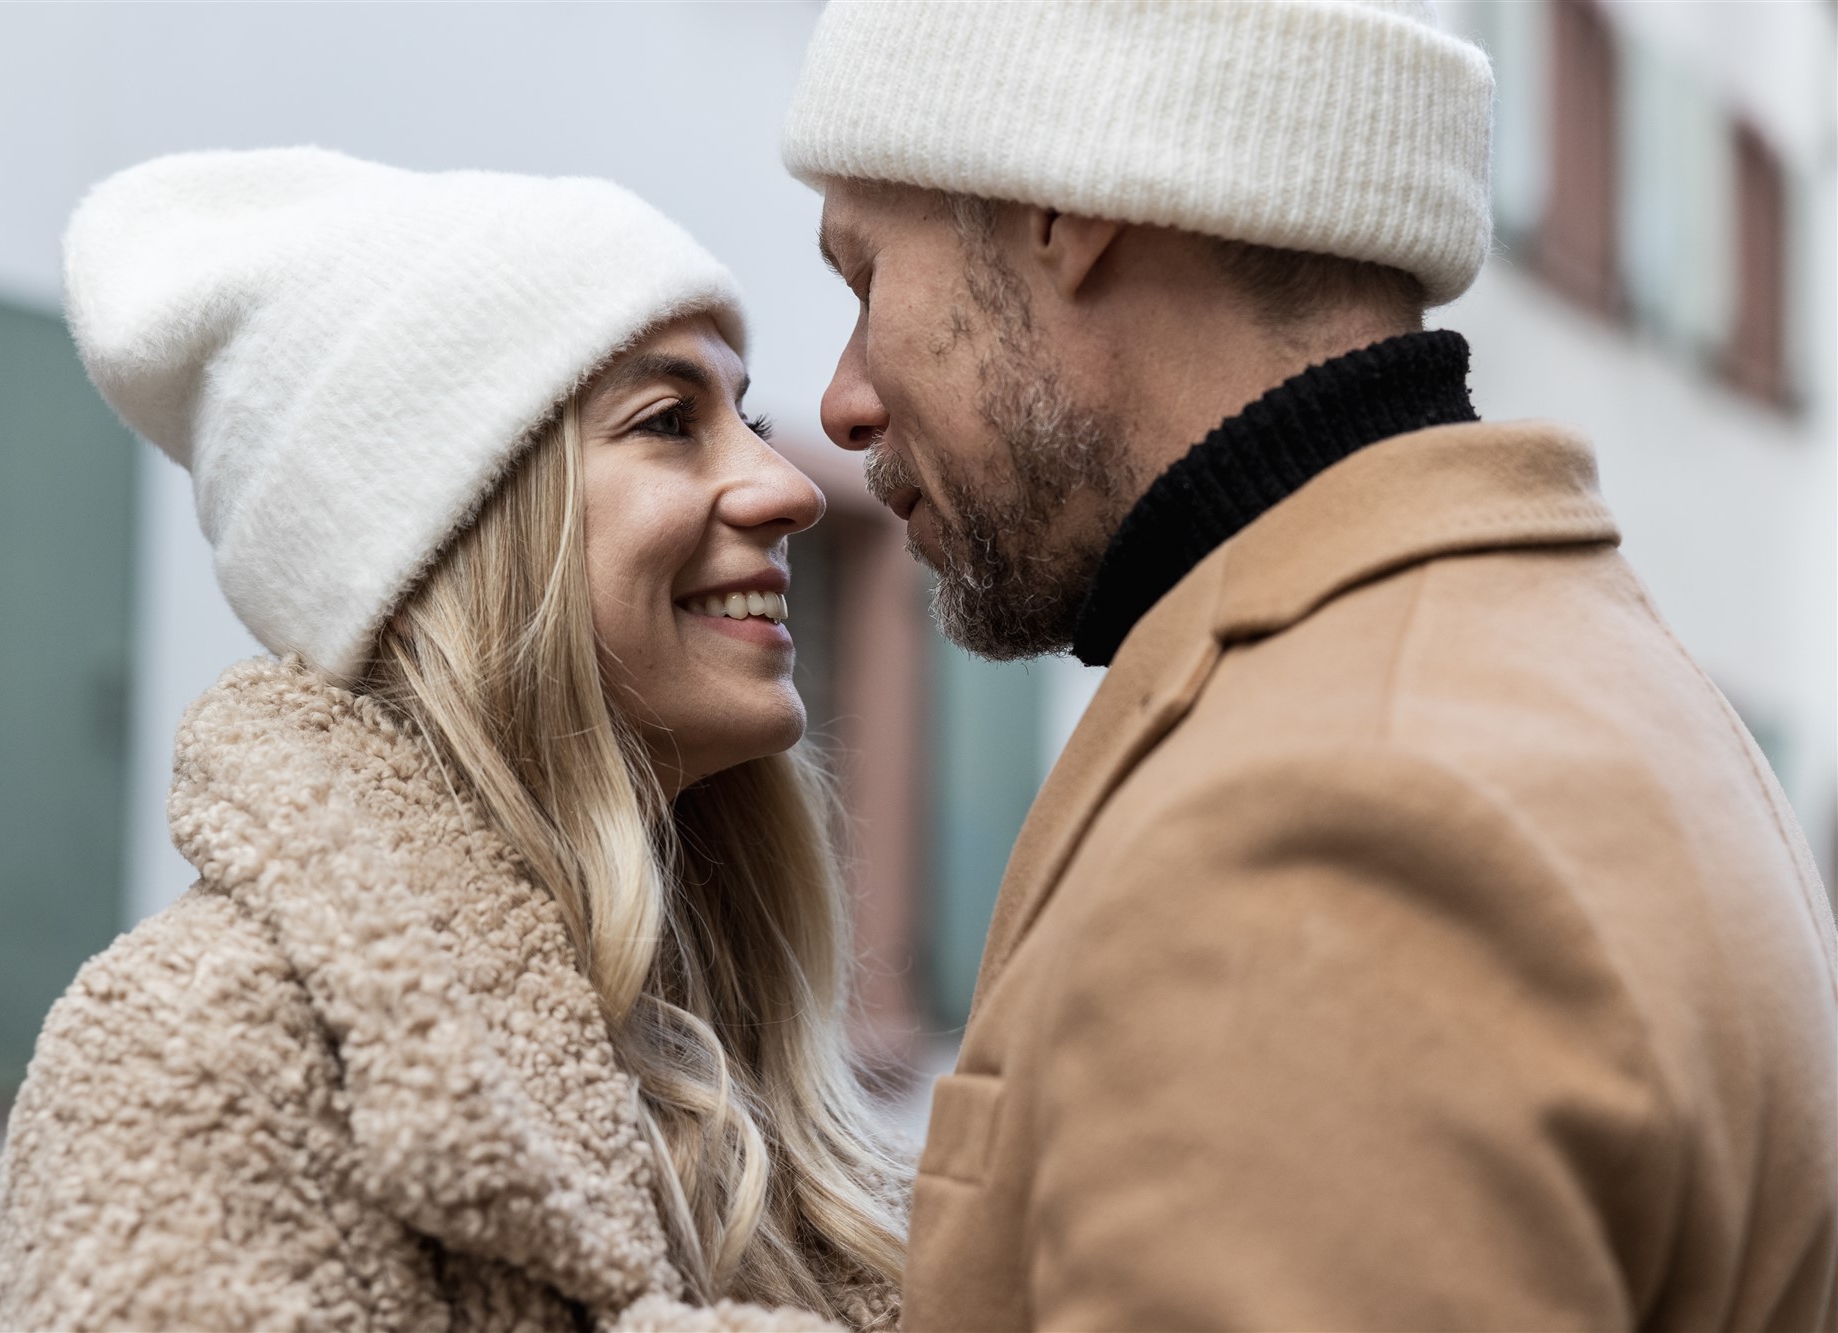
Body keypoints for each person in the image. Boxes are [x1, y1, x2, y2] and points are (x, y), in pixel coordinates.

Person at [783, 2, 1838, 1329]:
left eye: (866, 277)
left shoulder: (1329, 819)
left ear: (1063, 203)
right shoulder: (1557, 658)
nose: (842, 398)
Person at [0, 148, 905, 1333]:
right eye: (670, 420)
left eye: (747, 417)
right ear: (454, 541)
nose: (787, 487)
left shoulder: (712, 1040)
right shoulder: (194, 1042)